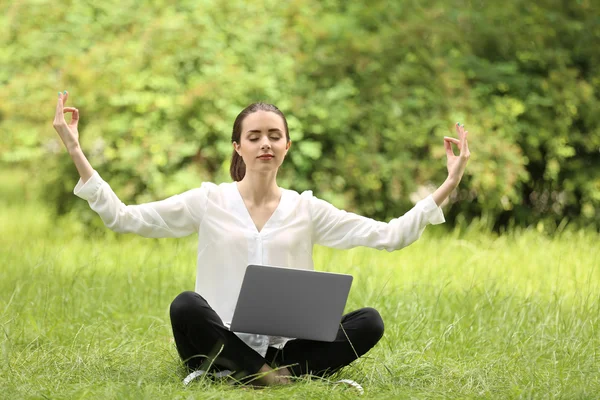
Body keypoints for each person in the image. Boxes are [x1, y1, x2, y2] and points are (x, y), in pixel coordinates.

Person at [52, 90, 470, 386]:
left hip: (287, 347)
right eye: (254, 137)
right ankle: (263, 375)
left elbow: (389, 235)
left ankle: (261, 374)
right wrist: (75, 151)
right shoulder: (208, 200)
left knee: (369, 322)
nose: (265, 143)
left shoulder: (307, 209)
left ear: (287, 145)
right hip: (221, 342)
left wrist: (449, 183)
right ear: (238, 147)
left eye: (274, 135)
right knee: (186, 306)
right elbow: (124, 218)